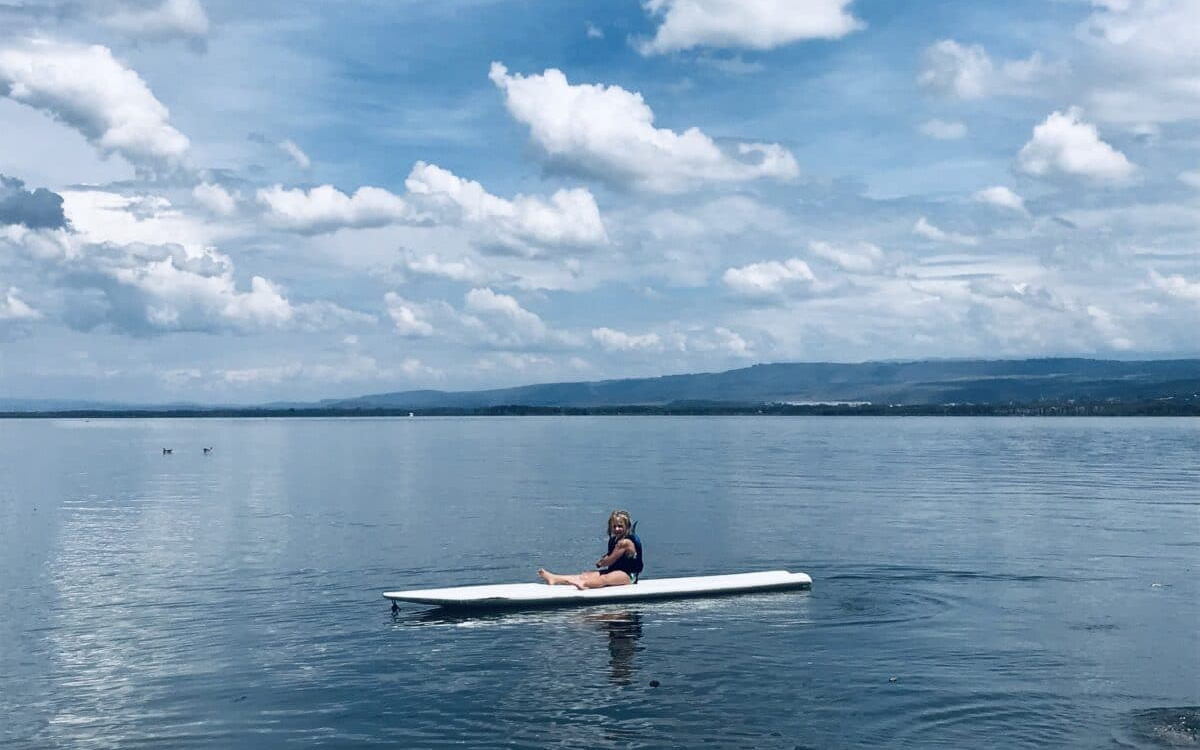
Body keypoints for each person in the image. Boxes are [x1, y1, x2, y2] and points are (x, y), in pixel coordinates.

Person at [538, 510, 644, 590]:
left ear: (627, 527)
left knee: (604, 579)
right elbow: (609, 556)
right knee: (585, 575)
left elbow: (609, 561)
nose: (616, 529)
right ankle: (555, 578)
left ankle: (583, 585)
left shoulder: (625, 543)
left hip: (629, 576)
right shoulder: (614, 539)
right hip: (616, 571)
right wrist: (603, 560)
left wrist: (600, 563)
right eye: (614, 526)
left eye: (620, 526)